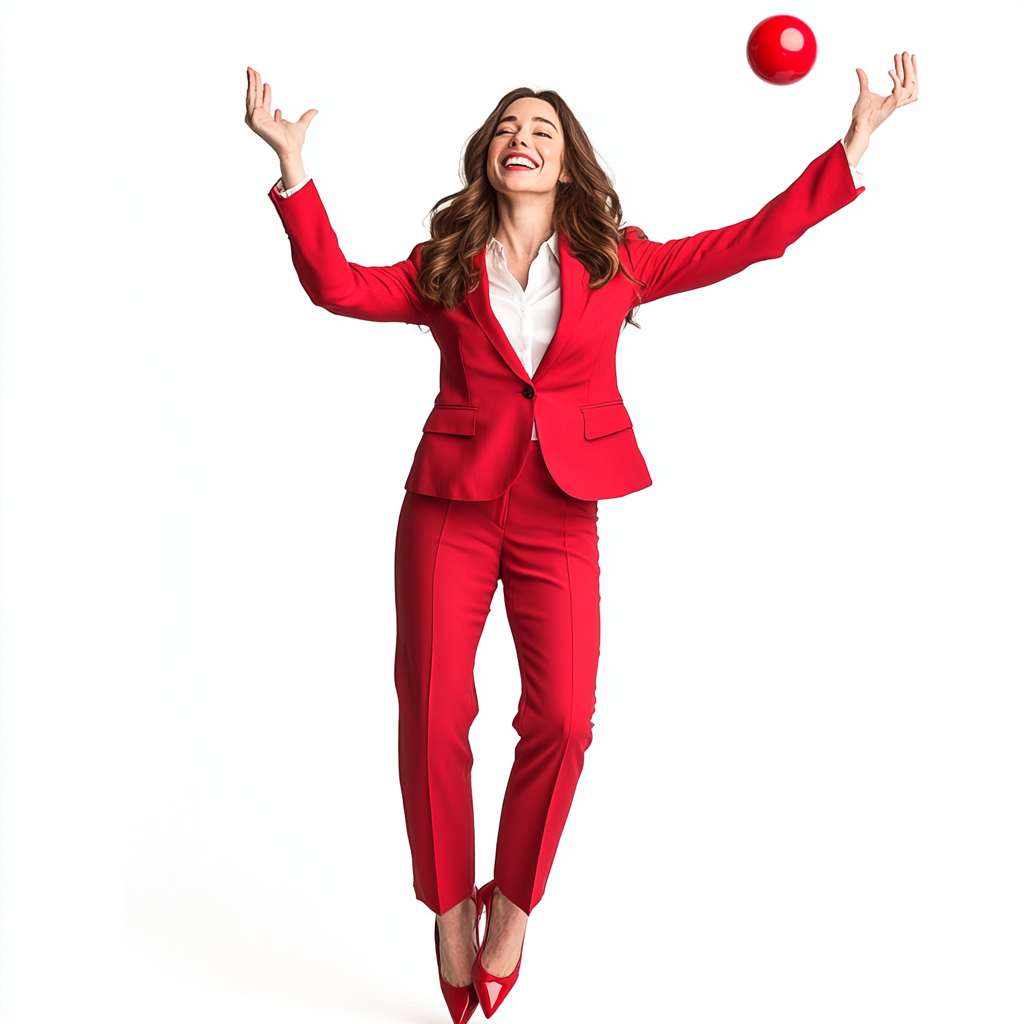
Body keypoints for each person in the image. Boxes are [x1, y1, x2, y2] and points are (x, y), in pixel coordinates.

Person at [244, 55, 918, 1022]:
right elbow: (339, 287)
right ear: (488, 157)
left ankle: (510, 906)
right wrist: (295, 173)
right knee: (433, 715)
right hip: (449, 507)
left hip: (562, 504)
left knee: (563, 722)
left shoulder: (619, 262)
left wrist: (854, 142)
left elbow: (753, 241)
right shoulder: (444, 264)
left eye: (543, 130)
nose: (523, 137)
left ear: (567, 165)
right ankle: (447, 911)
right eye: (508, 127)